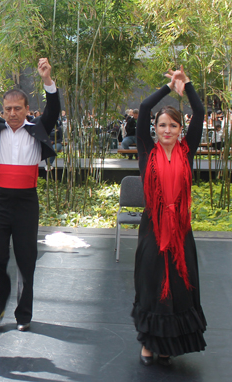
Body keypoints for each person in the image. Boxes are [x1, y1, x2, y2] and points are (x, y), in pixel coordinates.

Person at [0, 58, 60, 331]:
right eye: (8, 109)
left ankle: (24, 314)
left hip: (27, 201)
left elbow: (54, 109)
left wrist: (47, 80)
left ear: (28, 110)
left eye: (18, 108)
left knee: (26, 257)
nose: (12, 113)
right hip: (1, 200)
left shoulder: (37, 129)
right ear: (2, 110)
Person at [133, 66, 206, 366]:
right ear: (155, 128)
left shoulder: (186, 152)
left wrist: (186, 85)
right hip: (152, 227)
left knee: (178, 286)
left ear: (180, 130)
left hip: (180, 229)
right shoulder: (146, 151)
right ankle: (149, 344)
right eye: (162, 125)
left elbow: (199, 112)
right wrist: (167, 87)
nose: (166, 131)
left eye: (172, 126)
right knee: (152, 285)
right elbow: (144, 107)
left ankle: (168, 344)